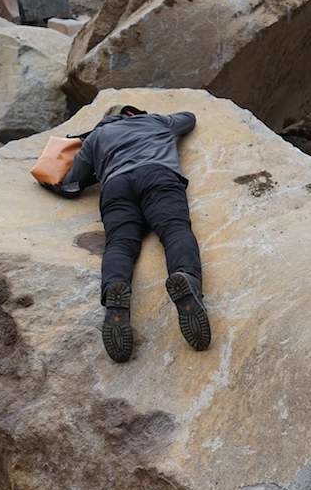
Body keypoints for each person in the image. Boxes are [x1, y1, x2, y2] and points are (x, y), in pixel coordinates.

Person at [42, 105, 210, 364]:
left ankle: (115, 290)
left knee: (120, 244)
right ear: (132, 113)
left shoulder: (97, 138)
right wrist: (154, 119)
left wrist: (89, 151)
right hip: (157, 175)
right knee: (174, 229)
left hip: (116, 186)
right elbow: (190, 117)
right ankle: (186, 278)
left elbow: (72, 182)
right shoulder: (156, 121)